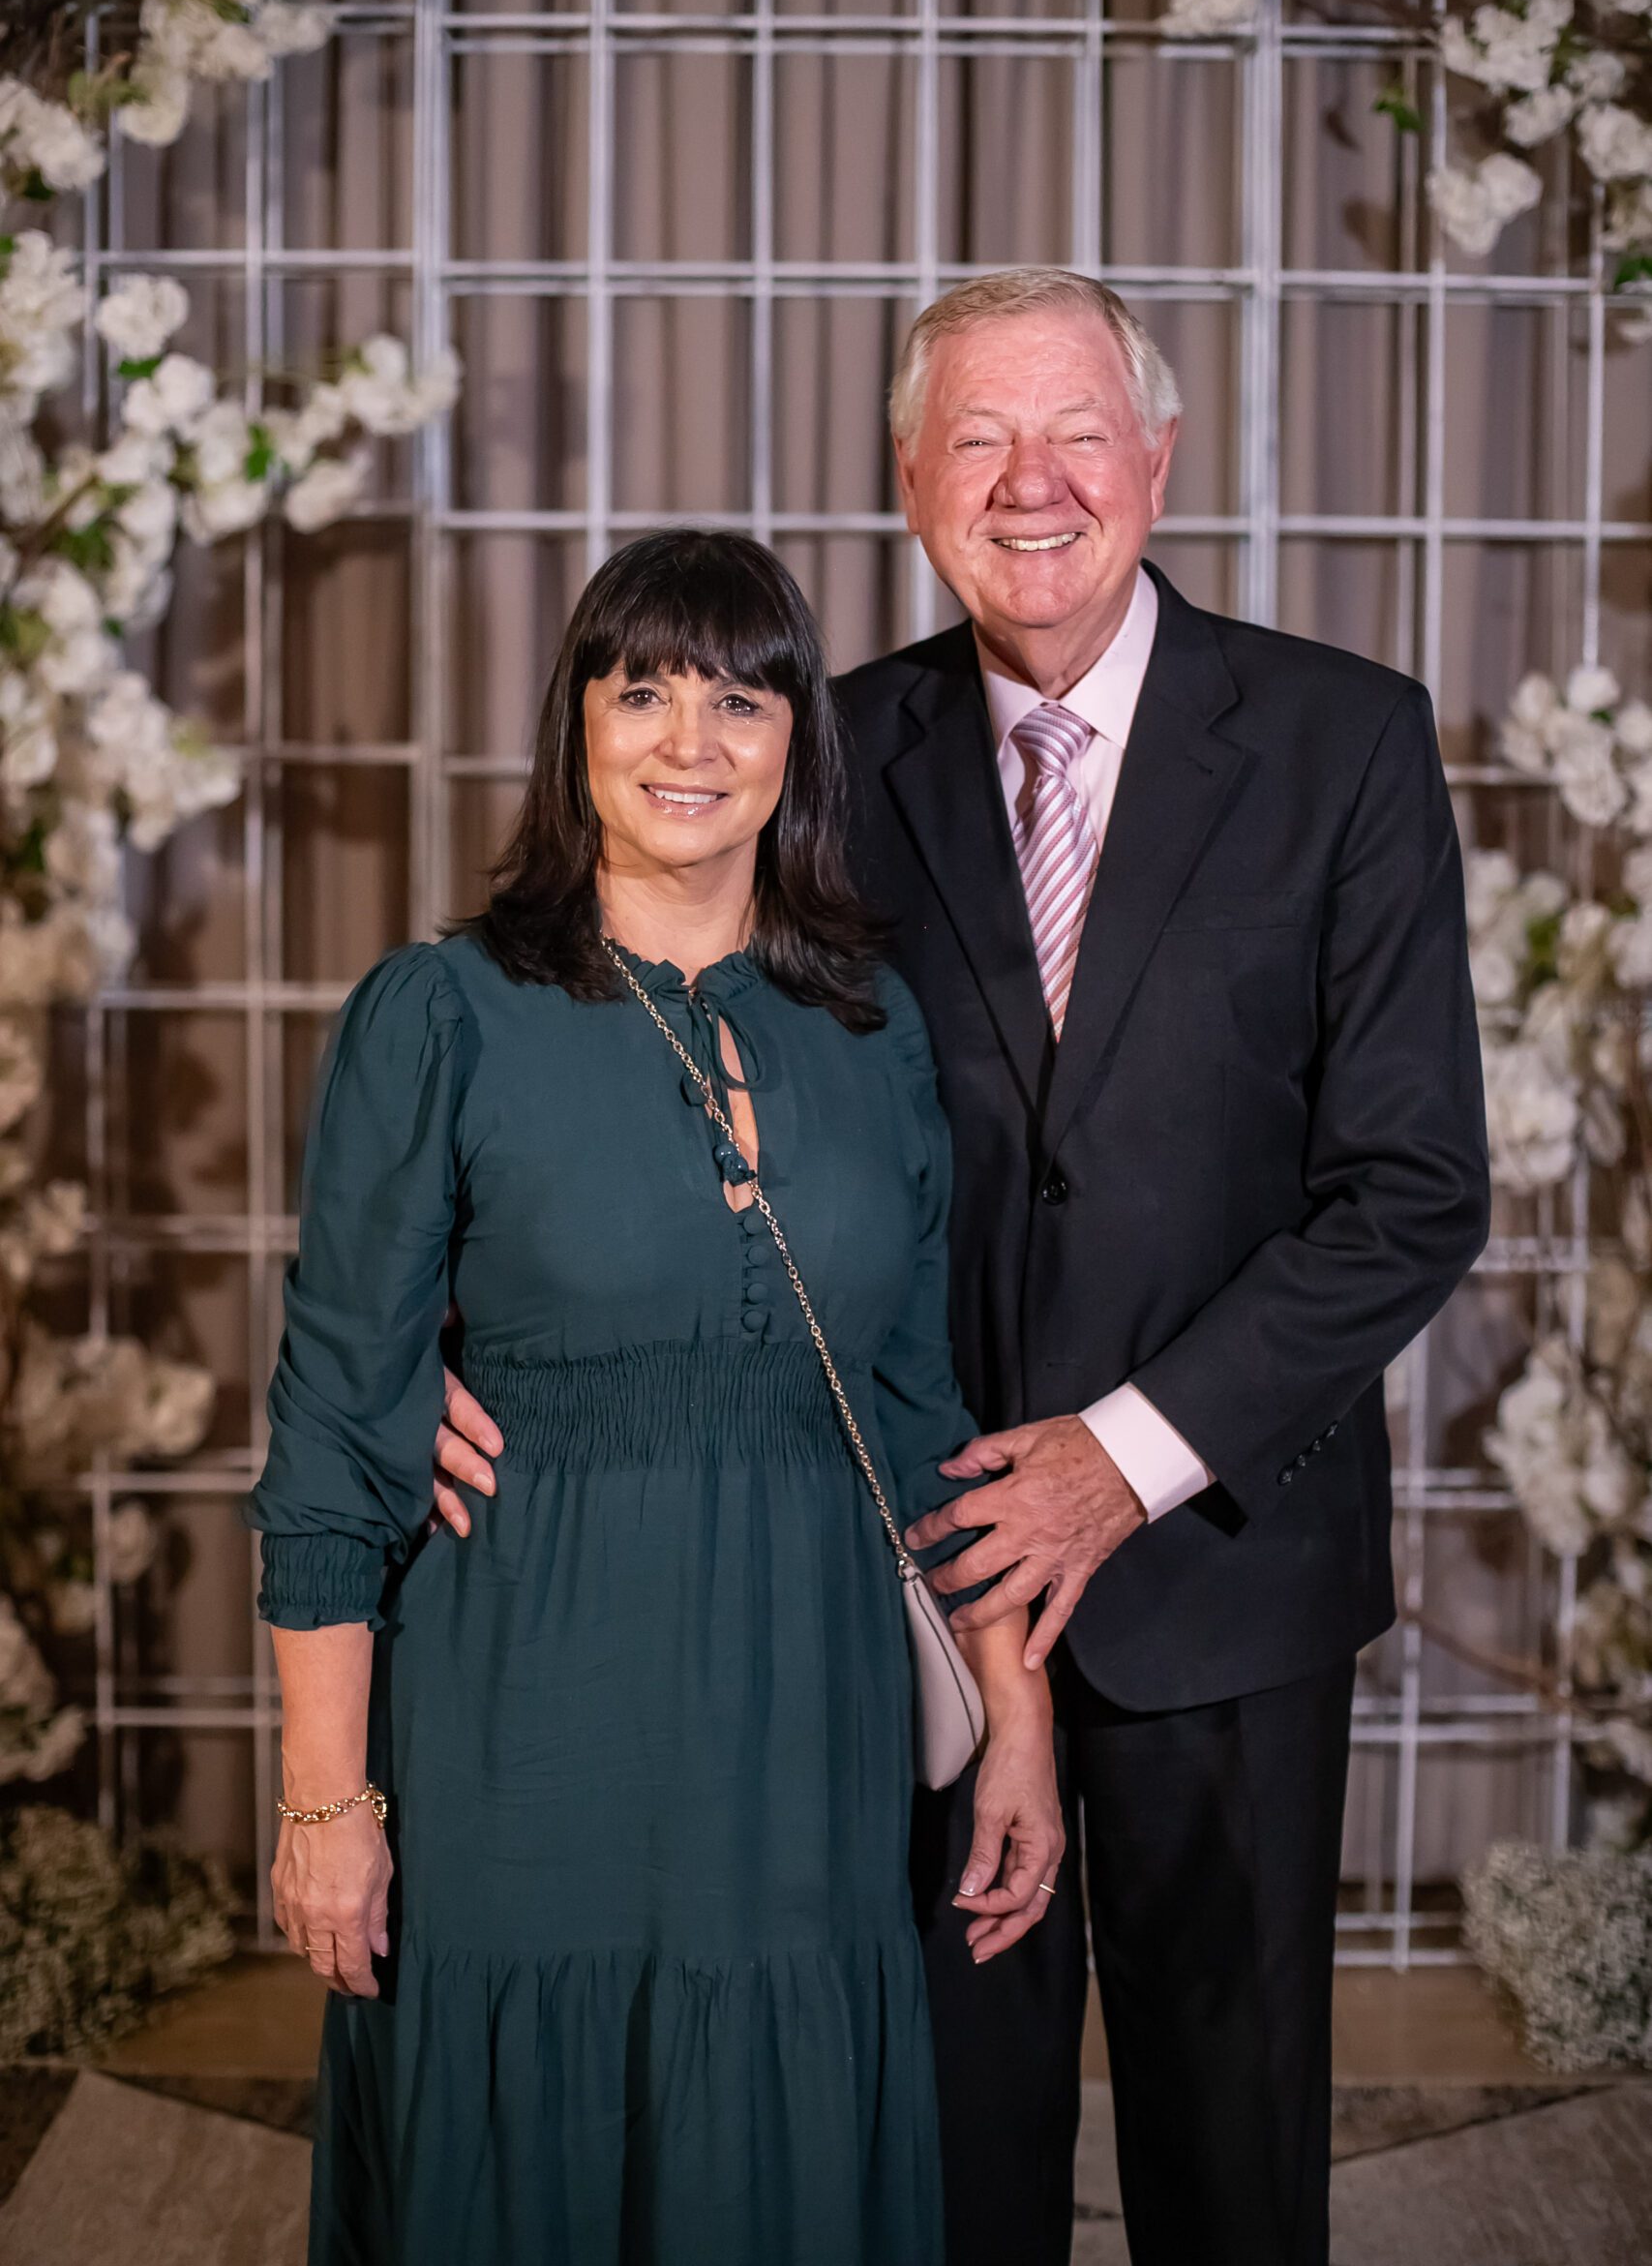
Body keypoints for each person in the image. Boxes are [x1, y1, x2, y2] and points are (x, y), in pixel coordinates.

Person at [434, 272, 1491, 2266]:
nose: (1032, 483)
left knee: (1234, 2161)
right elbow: (628, 1033)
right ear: (909, 479)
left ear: (1156, 458)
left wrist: (1121, 1455)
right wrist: (439, 1326)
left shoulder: (1342, 739)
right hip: (896, 1576)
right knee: (934, 2162)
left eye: (1076, 433)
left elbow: (1414, 1186)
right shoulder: (822, 745)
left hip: (1223, 1570)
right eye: (979, 441)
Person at [245, 528, 1064, 2266]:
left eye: (739, 700)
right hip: (519, 1723)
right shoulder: (441, 1014)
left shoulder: (873, 1030)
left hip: (810, 1743)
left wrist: (1016, 1717)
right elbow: (333, 1434)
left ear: (797, 742)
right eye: (642, 693)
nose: (689, 741)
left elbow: (920, 1405)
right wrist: (325, 1804)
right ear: (578, 727)